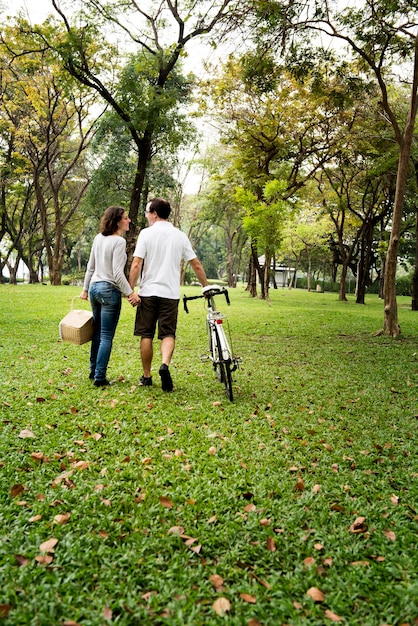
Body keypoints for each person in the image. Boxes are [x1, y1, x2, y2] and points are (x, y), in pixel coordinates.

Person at [128, 197, 209, 392]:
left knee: (146, 333)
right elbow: (196, 264)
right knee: (168, 333)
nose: (146, 216)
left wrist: (130, 290)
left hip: (148, 292)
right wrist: (205, 286)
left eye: (147, 212)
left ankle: (147, 377)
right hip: (170, 294)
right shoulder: (180, 236)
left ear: (154, 213)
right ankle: (164, 364)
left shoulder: (146, 234)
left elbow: (137, 263)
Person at [80, 206, 140, 386]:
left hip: (94, 289)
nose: (129, 221)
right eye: (126, 218)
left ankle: (93, 371)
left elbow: (91, 266)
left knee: (97, 333)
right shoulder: (119, 242)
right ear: (116, 221)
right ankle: (100, 377)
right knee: (106, 335)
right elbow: (116, 273)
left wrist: (84, 289)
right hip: (108, 291)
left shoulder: (98, 238)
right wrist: (130, 293)